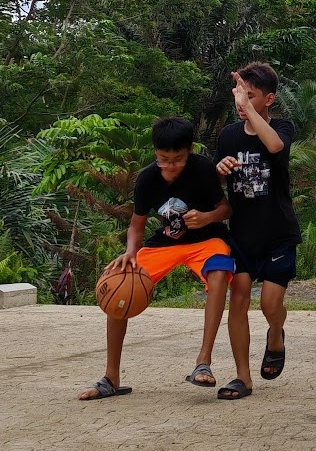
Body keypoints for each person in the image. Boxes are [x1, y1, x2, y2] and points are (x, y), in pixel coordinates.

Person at [78, 117, 234, 400]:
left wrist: (207, 217)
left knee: (219, 273)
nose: (171, 166)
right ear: (155, 153)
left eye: (178, 159)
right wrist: (129, 253)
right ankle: (111, 378)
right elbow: (136, 226)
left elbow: (226, 209)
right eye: (164, 159)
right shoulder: (147, 178)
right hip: (165, 243)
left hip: (207, 240)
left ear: (190, 150)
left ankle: (203, 361)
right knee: (119, 284)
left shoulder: (203, 169)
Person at [215, 61, 301, 400]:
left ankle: (276, 333)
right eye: (238, 95)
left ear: (269, 99)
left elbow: (275, 147)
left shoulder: (282, 127)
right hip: (241, 237)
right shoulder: (228, 135)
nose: (241, 102)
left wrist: (249, 111)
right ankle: (242, 377)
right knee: (237, 300)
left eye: (249, 96)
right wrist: (219, 169)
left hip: (278, 234)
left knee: (269, 305)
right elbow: (215, 183)